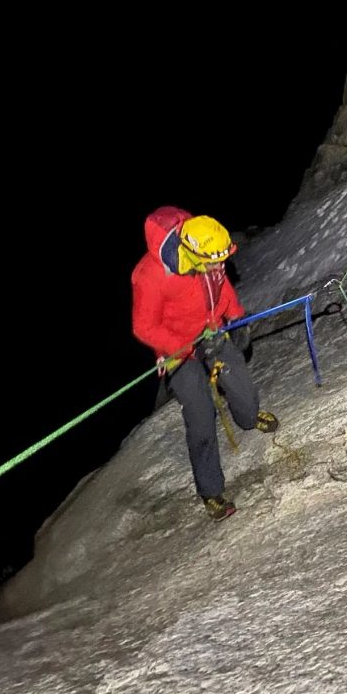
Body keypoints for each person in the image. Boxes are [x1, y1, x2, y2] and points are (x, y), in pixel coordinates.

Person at [131, 206, 278, 521]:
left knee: (239, 379)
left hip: (210, 330)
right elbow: (144, 327)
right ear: (191, 253)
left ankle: (249, 417)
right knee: (199, 415)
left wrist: (236, 319)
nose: (221, 265)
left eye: (222, 259)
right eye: (215, 261)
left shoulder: (210, 257)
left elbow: (221, 287)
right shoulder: (151, 276)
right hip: (176, 348)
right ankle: (211, 491)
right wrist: (183, 346)